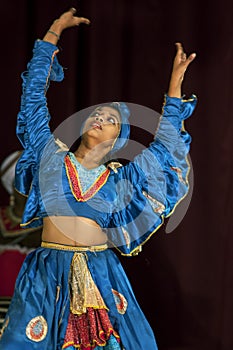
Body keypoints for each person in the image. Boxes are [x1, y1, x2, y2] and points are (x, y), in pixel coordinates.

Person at [0, 7, 197, 350]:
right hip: (48, 272)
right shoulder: (51, 158)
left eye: (110, 119)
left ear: (117, 140)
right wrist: (52, 36)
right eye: (96, 114)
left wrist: (175, 89)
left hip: (100, 271)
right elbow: (32, 100)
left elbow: (166, 147)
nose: (100, 118)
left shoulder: (120, 179)